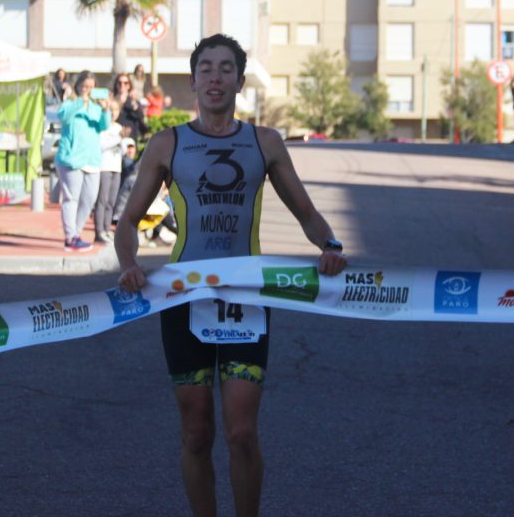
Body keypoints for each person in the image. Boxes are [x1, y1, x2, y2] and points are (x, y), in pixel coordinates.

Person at [115, 33, 347, 517]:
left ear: (240, 81)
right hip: (181, 299)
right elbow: (128, 223)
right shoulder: (167, 143)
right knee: (196, 433)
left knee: (242, 433)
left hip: (246, 297)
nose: (215, 77)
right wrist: (130, 264)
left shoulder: (265, 142)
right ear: (194, 80)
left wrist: (330, 245)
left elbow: (306, 212)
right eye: (206, 68)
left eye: (225, 69)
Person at [55, 70, 110, 252]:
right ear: (78, 86)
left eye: (91, 87)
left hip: (92, 159)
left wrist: (105, 109)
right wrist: (81, 100)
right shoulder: (70, 103)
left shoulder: (95, 107)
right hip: (71, 159)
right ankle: (70, 237)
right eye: (85, 86)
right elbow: (64, 117)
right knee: (71, 198)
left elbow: (104, 126)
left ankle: (76, 234)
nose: (87, 90)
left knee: (89, 199)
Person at [94, 100, 124, 244]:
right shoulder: (103, 126)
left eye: (116, 110)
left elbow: (122, 151)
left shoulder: (119, 127)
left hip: (116, 166)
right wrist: (118, 138)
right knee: (102, 200)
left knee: (111, 201)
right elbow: (101, 145)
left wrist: (124, 143)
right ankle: (99, 230)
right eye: (111, 110)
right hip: (104, 166)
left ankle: (107, 228)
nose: (113, 113)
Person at [114, 72, 148, 141]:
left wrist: (133, 102)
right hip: (115, 137)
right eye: (119, 83)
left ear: (129, 85)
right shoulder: (112, 100)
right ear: (116, 85)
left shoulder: (133, 101)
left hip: (130, 138)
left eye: (125, 83)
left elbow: (140, 116)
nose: (122, 85)